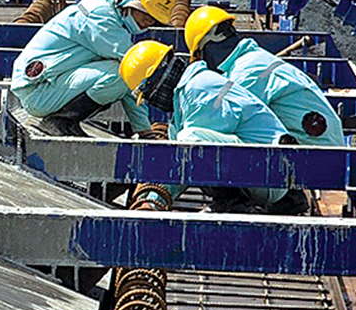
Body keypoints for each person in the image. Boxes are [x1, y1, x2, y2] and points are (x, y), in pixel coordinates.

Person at [121, 40, 302, 211]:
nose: (152, 101)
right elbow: (182, 164)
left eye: (148, 93)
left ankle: (233, 206)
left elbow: (186, 157)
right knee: (186, 140)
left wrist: (155, 197)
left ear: (159, 79)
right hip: (261, 170)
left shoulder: (200, 89)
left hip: (271, 175)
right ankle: (231, 203)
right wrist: (154, 199)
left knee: (189, 140)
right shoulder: (186, 101)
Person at [8, 0, 178, 136]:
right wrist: (145, 129)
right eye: (146, 15)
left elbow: (131, 84)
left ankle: (64, 121)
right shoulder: (102, 20)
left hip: (47, 87)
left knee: (122, 74)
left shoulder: (108, 14)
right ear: (131, 1)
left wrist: (144, 131)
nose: (148, 23)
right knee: (120, 75)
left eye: (153, 20)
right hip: (40, 92)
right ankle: (60, 122)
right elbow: (133, 77)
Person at [186, 5, 344, 146]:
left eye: (200, 56)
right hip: (318, 150)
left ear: (207, 46)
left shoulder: (247, 72)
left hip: (312, 158)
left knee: (191, 137)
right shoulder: (253, 60)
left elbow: (225, 123)